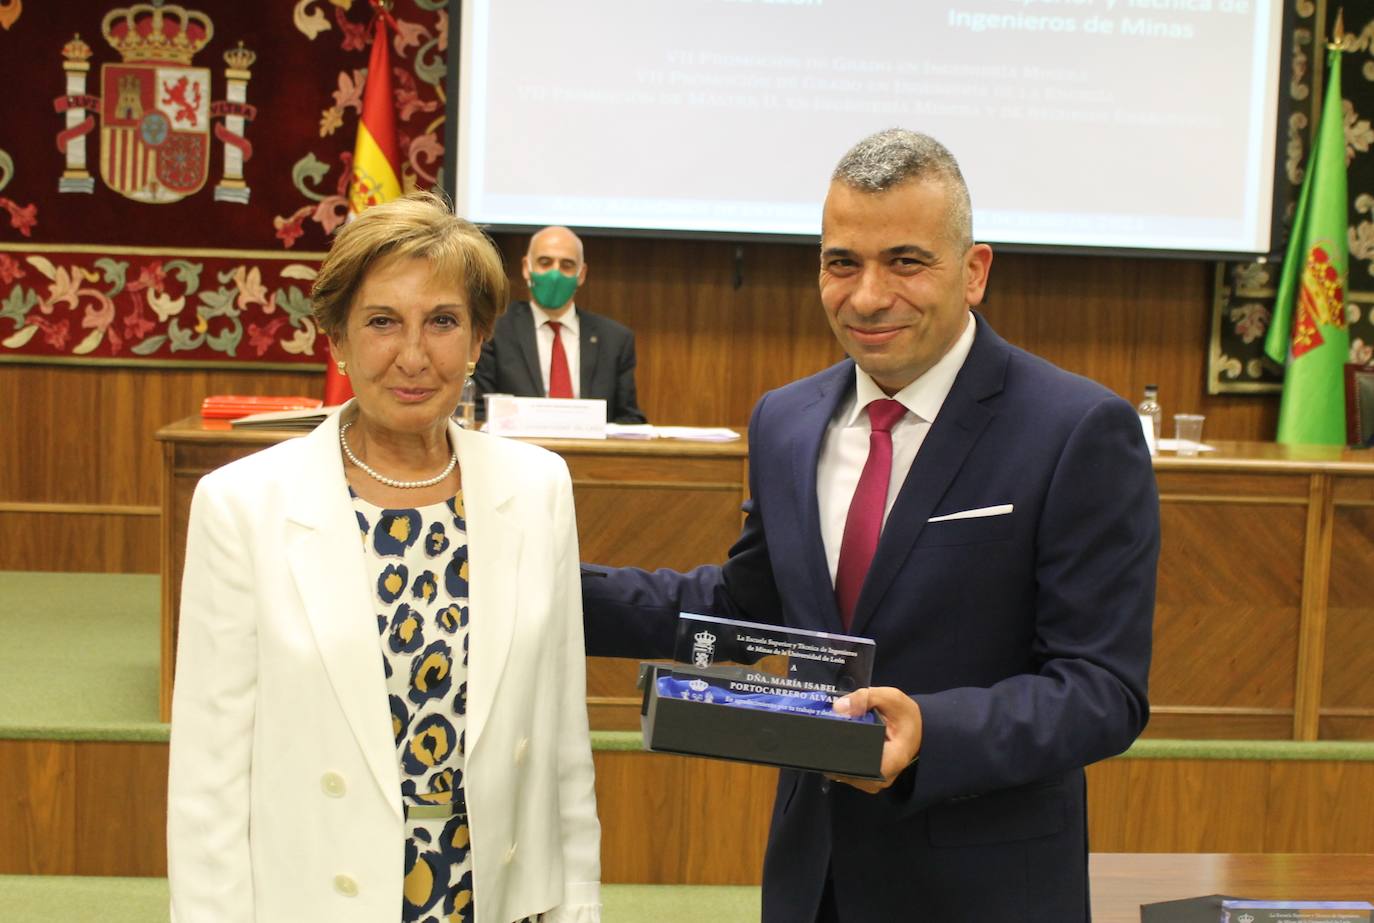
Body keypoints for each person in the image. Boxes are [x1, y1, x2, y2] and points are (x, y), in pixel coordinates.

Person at [581, 129, 1159, 921]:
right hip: (812, 883)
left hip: (984, 890)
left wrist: (931, 732)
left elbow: (1102, 690)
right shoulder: (784, 420)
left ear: (975, 271)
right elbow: (744, 607)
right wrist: (543, 588)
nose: (867, 296)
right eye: (842, 262)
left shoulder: (1078, 429)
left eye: (906, 262)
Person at [167, 192, 601, 923]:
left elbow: (563, 743)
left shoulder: (537, 489)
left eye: (442, 321)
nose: (413, 355)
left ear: (478, 338)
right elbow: (208, 779)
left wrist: (579, 907)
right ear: (337, 338)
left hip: (493, 898)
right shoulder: (242, 504)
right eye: (381, 322)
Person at [471, 226, 647, 423]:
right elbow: (478, 413)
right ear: (526, 268)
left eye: (567, 265)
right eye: (545, 263)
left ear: (581, 274)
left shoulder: (615, 340)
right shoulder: (494, 331)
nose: (555, 275)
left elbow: (630, 420)